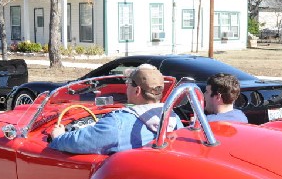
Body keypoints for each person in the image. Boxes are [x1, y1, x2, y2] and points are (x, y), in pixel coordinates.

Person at [49, 64, 183, 154]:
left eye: (128, 83)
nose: (126, 87)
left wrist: (59, 137)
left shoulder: (118, 122)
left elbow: (80, 142)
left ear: (137, 90)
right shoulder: (173, 119)